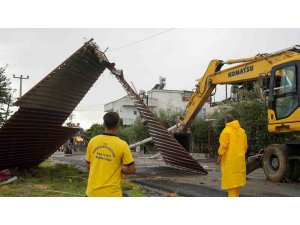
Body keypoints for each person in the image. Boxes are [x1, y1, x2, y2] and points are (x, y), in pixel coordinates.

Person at [85, 112, 136, 197]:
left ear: (104, 124)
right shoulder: (122, 145)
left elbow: (88, 166)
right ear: (118, 125)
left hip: (92, 193)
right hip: (112, 194)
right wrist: (121, 170)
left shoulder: (93, 141)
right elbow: (132, 169)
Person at [217, 113, 248, 197]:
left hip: (230, 162)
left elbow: (223, 146)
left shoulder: (226, 131)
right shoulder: (242, 131)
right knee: (237, 185)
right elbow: (245, 147)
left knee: (231, 186)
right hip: (239, 162)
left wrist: (219, 156)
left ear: (226, 121)